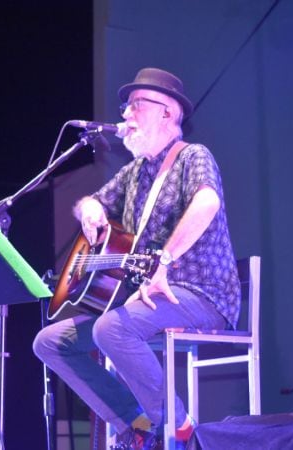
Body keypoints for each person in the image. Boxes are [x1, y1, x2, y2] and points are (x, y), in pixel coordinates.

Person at [33, 67, 241, 449]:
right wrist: (91, 210)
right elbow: (93, 201)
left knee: (110, 328)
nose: (125, 115)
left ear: (168, 113)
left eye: (135, 106)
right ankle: (138, 422)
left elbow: (207, 201)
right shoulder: (135, 172)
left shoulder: (193, 157)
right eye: (125, 108)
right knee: (49, 342)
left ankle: (178, 428)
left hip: (202, 294)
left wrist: (163, 260)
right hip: (150, 295)